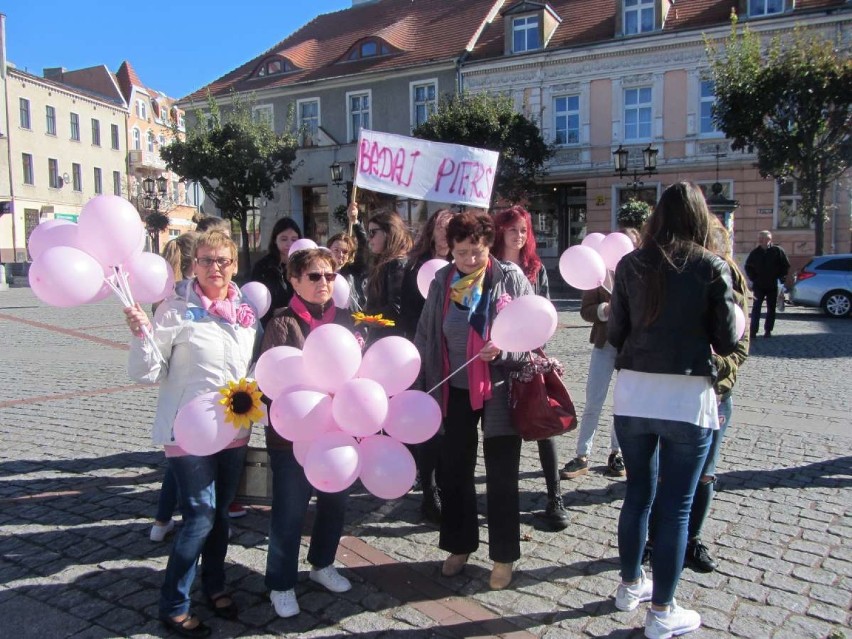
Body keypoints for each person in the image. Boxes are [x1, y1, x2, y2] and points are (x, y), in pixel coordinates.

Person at [607, 182, 737, 639]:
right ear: (701, 218)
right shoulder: (711, 266)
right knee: (677, 509)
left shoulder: (629, 264)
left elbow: (615, 332)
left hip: (634, 394)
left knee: (637, 492)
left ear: (657, 217)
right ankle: (662, 611)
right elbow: (726, 341)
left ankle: (629, 587)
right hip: (687, 398)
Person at [125, 230, 260, 637]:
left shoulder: (246, 312)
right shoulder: (174, 309)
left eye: (222, 260)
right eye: (205, 260)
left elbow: (246, 368)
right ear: (192, 264)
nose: (214, 268)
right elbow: (147, 372)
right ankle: (174, 604)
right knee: (199, 515)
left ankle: (215, 586)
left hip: (234, 429)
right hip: (186, 430)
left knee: (220, 514)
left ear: (234, 264)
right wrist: (141, 335)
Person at [414, 210, 533, 591]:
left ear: (488, 247)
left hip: (498, 391)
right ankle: (459, 545)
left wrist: (505, 350)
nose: (469, 260)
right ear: (451, 249)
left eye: (476, 252)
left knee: (501, 476)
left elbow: (533, 335)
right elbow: (426, 335)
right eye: (462, 252)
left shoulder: (508, 278)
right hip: (454, 390)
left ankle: (503, 556)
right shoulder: (441, 281)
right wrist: (418, 381)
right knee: (455, 472)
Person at [647, 218, 751, 575]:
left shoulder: (730, 276)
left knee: (704, 473)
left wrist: (716, 365)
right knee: (662, 473)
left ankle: (691, 539)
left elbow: (741, 340)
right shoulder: (672, 272)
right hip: (672, 389)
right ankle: (654, 539)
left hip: (715, 393)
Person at [258, 248, 358, 619]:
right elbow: (272, 382)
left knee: (335, 502)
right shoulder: (283, 323)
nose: (324, 283)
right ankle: (280, 584)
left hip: (339, 432)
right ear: (295, 281)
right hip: (293, 437)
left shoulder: (347, 320)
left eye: (329, 276)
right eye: (314, 276)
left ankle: (322, 563)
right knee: (290, 510)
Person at [491, 205, 568, 531]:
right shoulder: (490, 267)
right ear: (500, 232)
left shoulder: (536, 269)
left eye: (524, 230)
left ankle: (555, 497)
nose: (519, 236)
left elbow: (545, 312)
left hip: (530, 358)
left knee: (543, 423)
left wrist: (537, 351)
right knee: (504, 431)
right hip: (496, 359)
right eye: (513, 230)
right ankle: (503, 500)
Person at [561, 227, 641, 482]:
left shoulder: (641, 274)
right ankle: (582, 455)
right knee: (593, 400)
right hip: (604, 343)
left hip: (631, 347)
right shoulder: (598, 270)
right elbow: (586, 310)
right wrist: (604, 310)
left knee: (625, 401)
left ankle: (617, 453)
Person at [399, 208, 454, 524]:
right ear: (431, 231)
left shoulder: (463, 264)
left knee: (451, 427)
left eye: (452, 228)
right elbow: (406, 313)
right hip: (425, 355)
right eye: (442, 227)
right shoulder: (416, 267)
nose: (446, 233)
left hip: (456, 357)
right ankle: (429, 490)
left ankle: (449, 485)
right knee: (429, 424)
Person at [149, 230, 198, 543]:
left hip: (176, 393)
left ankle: (161, 520)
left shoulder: (163, 294)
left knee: (176, 465)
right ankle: (189, 522)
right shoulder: (181, 300)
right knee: (184, 465)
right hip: (189, 393)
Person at [363, 209, 412, 344]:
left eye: (372, 233)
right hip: (383, 337)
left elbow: (395, 310)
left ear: (388, 233)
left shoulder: (396, 263)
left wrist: (365, 317)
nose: (369, 238)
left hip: (391, 340)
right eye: (368, 233)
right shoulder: (383, 262)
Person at [249, 217, 303, 327]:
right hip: (271, 325)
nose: (289, 244)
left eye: (294, 239)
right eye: (284, 239)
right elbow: (254, 300)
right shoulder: (263, 267)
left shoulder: (303, 266)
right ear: (275, 240)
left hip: (300, 323)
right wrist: (274, 311)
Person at [744, 230, 789, 338]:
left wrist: (780, 278)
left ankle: (768, 330)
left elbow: (785, 265)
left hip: (772, 284)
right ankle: (753, 331)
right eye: (759, 238)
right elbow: (748, 267)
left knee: (771, 308)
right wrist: (753, 278)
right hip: (759, 285)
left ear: (769, 239)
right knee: (756, 308)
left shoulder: (777, 251)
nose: (760, 240)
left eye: (762, 238)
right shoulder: (755, 252)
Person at [328, 204, 369, 310]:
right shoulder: (321, 274)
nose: (340, 254)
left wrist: (355, 222)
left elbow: (364, 245)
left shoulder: (354, 271)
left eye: (345, 251)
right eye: (336, 250)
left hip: (352, 320)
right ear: (329, 250)